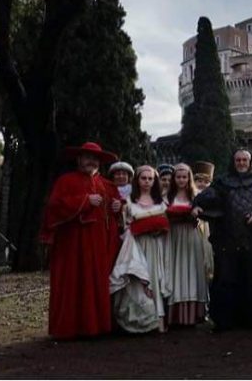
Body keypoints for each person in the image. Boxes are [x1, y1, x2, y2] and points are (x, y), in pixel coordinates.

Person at [40, 142, 121, 339]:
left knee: (96, 283)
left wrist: (118, 207)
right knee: (71, 283)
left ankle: (96, 327)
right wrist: (84, 201)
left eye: (95, 158)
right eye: (87, 157)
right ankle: (68, 329)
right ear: (79, 159)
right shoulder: (66, 181)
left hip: (99, 245)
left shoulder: (108, 186)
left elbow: (115, 214)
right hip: (72, 245)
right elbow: (53, 209)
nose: (91, 161)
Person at [193, 149, 252, 331]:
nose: (241, 163)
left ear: (250, 162)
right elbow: (207, 196)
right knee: (226, 280)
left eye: (245, 160)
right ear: (233, 161)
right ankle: (225, 321)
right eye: (238, 160)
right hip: (228, 237)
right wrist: (197, 205)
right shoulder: (223, 181)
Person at [110, 165, 172, 333]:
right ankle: (136, 322)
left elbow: (167, 224)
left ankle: (157, 321)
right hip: (136, 247)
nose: (147, 182)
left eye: (150, 179)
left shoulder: (161, 202)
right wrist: (137, 229)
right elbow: (124, 226)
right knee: (138, 281)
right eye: (143, 178)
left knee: (155, 279)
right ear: (137, 180)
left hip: (156, 246)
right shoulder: (129, 202)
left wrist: (159, 230)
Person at [164, 163, 211, 326]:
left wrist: (196, 214)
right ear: (174, 178)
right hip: (174, 236)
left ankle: (194, 313)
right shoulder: (167, 197)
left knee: (193, 269)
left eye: (184, 177)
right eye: (178, 177)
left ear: (189, 178)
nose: (181, 180)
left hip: (192, 235)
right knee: (176, 270)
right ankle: (176, 312)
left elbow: (205, 214)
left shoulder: (196, 196)